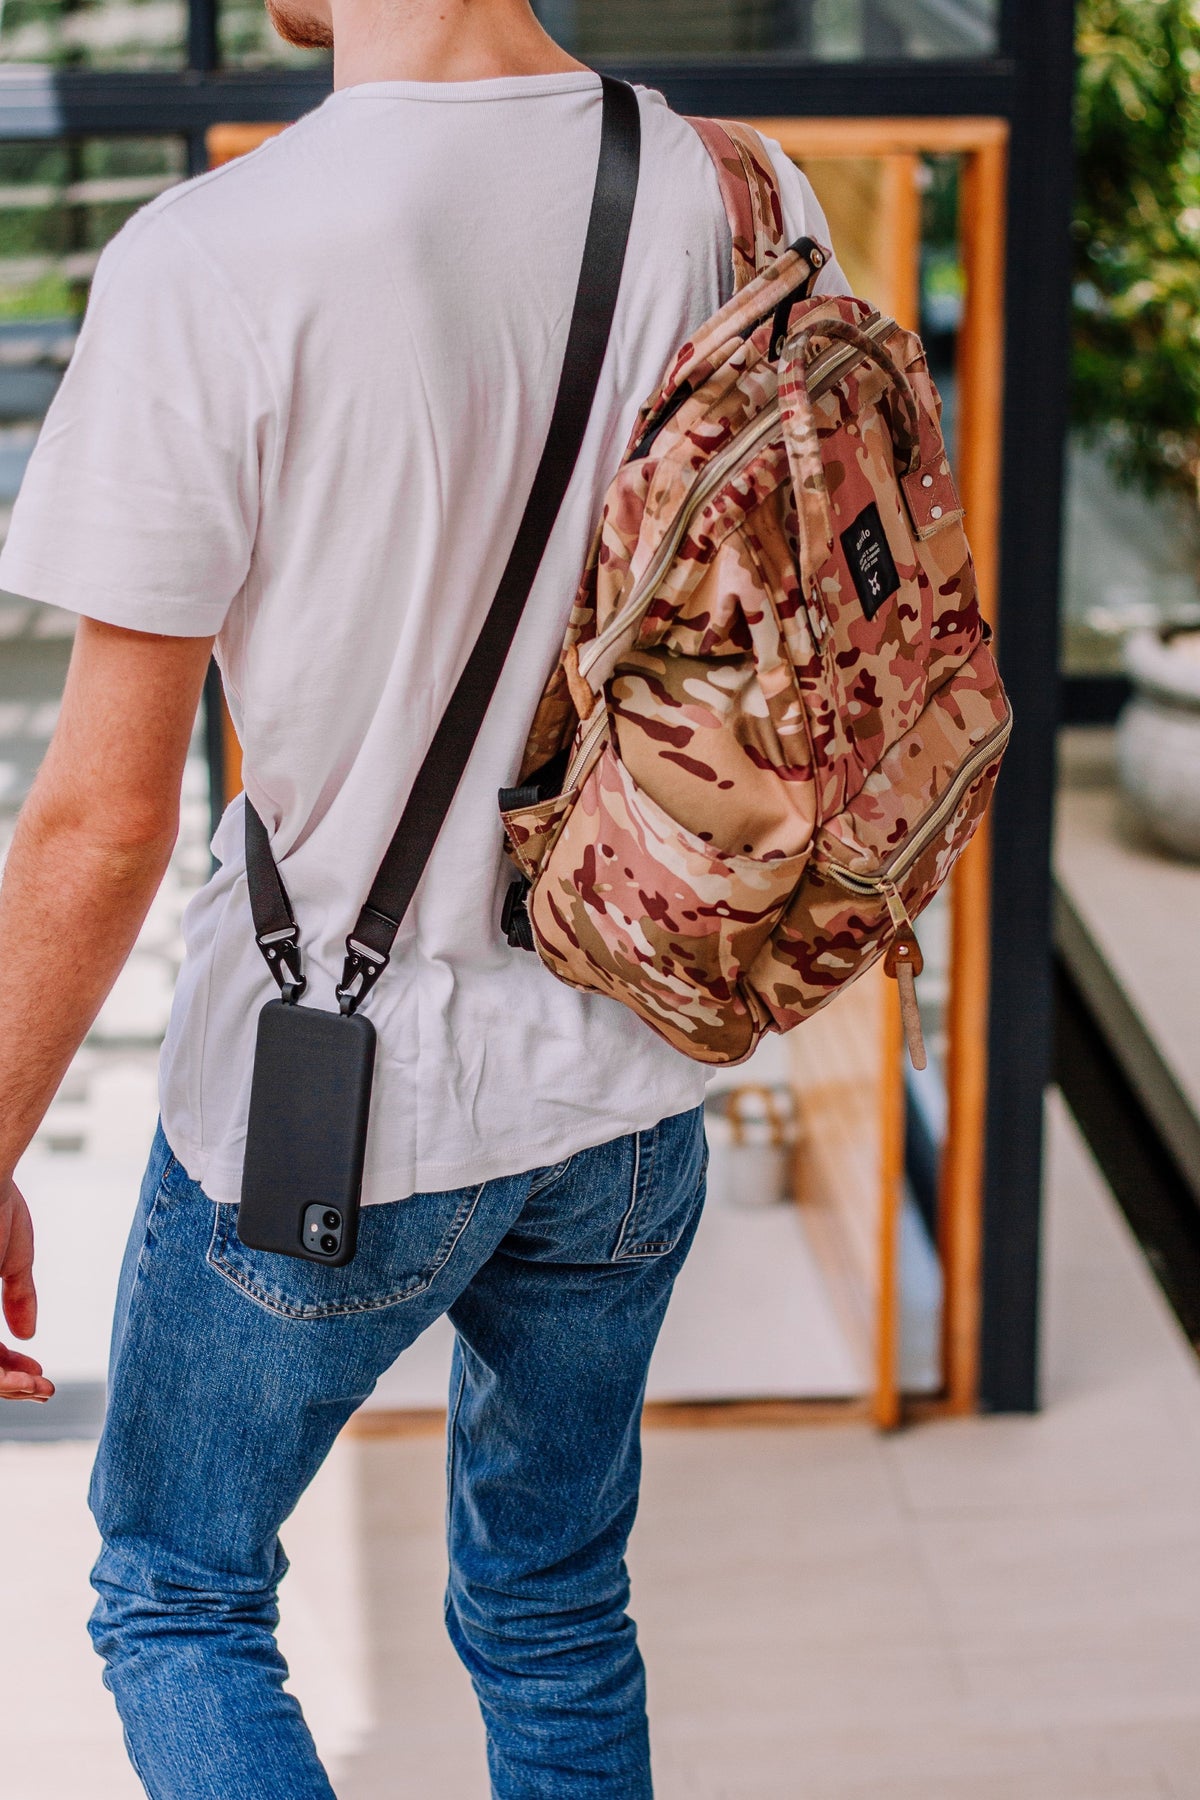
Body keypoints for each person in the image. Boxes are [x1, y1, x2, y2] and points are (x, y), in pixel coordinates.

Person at [0, 1, 844, 1792]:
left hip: (331, 1111)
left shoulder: (211, 259)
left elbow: (99, 818)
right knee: (551, 1604)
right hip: (632, 1073)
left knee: (179, 1594)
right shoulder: (738, 190)